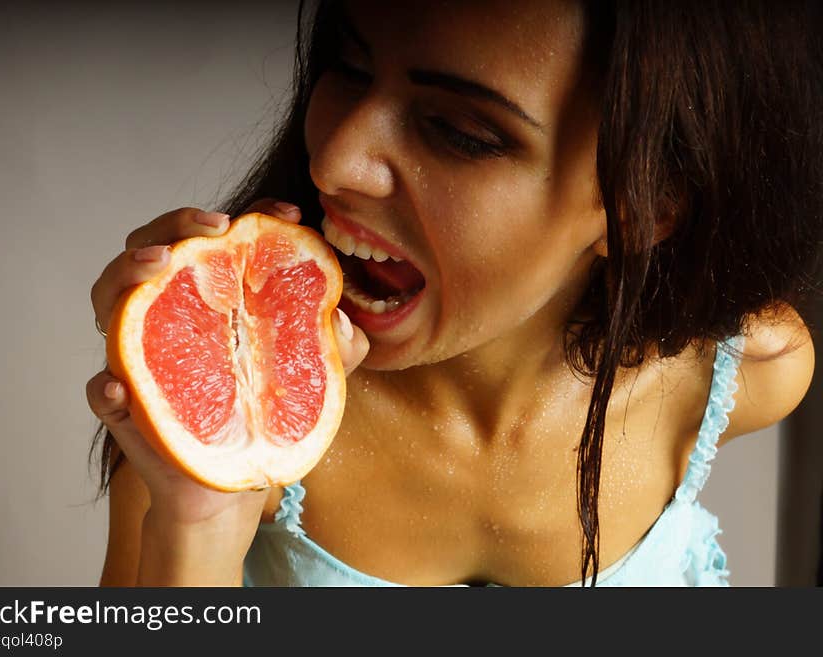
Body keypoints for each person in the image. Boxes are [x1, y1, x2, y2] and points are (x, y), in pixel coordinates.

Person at [87, 0, 821, 586]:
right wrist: (199, 521)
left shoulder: (754, 371)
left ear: (641, 206)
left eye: (458, 131)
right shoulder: (230, 428)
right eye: (347, 66)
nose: (335, 160)